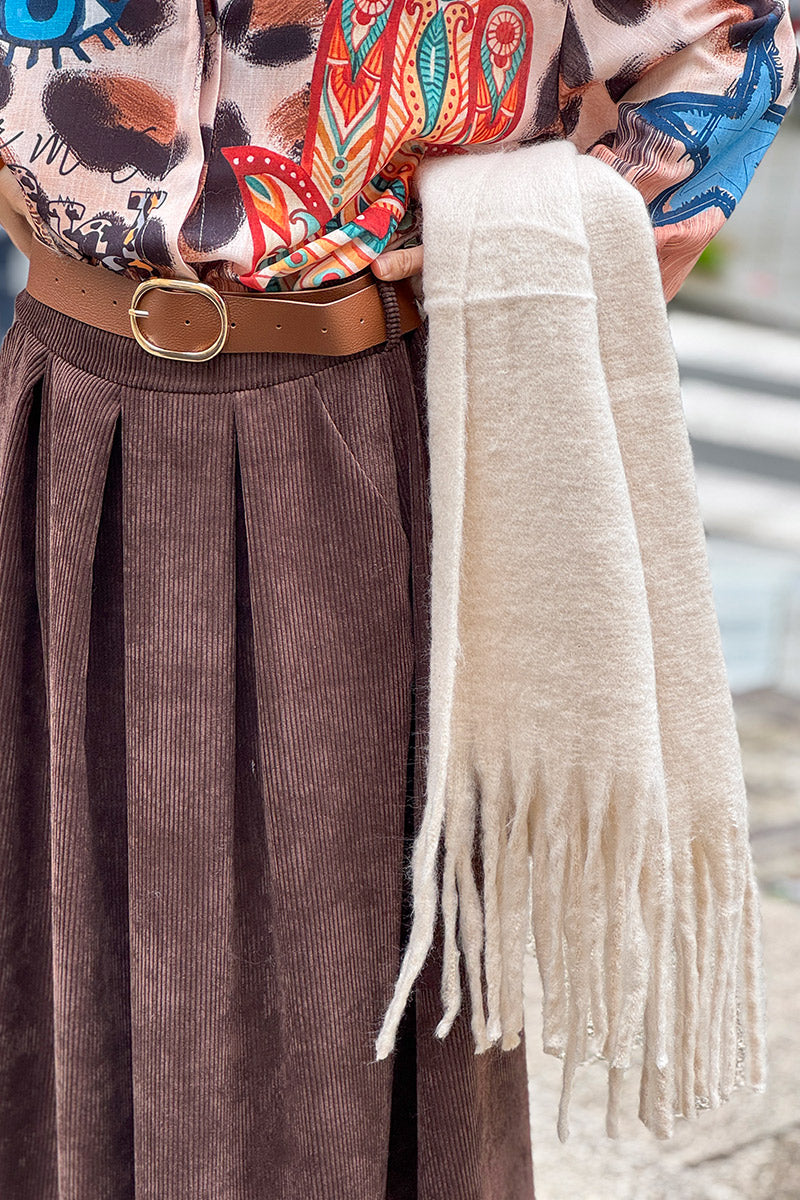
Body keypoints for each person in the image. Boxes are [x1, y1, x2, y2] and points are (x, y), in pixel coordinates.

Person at [0, 2, 796, 1198]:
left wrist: (609, 218)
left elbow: (724, 28)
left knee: (350, 971)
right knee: (53, 928)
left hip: (366, 411)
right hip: (69, 395)